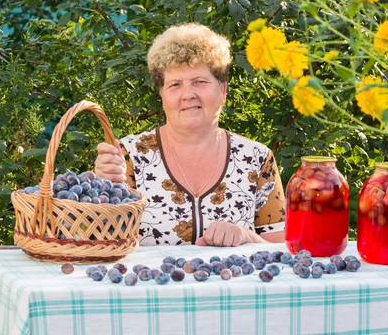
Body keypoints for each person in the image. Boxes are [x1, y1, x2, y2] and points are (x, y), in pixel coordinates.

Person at [95, 23, 285, 247]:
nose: (188, 94)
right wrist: (102, 188)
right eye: (175, 85)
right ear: (162, 96)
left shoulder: (256, 158)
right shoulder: (128, 156)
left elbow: (281, 253)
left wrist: (247, 237)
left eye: (199, 82)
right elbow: (99, 246)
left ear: (222, 90)